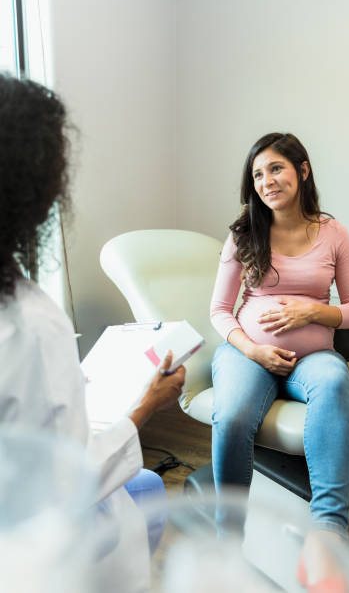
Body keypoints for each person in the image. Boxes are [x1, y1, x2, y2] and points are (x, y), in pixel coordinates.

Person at [0, 73, 185, 590]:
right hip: (42, 553)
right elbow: (68, 481)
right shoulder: (31, 324)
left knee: (146, 482)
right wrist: (147, 405)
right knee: (146, 490)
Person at [210, 132, 349, 589]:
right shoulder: (244, 234)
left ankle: (327, 537)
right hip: (249, 354)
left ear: (302, 170)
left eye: (276, 168)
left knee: (335, 384)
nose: (267, 181)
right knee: (234, 416)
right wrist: (254, 350)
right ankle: (226, 540)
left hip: (314, 359)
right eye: (258, 174)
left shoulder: (333, 233)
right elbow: (220, 312)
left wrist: (313, 310)